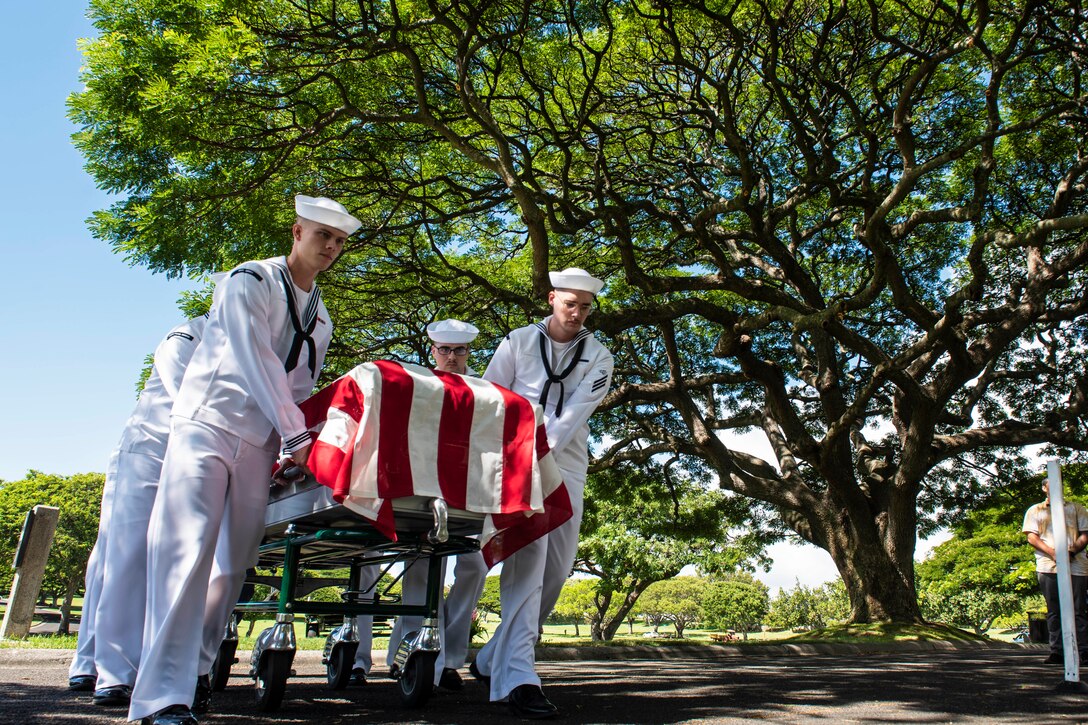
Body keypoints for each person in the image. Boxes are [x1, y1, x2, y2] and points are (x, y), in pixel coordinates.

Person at [127, 194, 361, 725]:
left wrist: (292, 444)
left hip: (259, 442)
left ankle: (197, 674)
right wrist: (296, 434)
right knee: (185, 555)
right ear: (297, 232)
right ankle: (160, 696)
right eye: (322, 235)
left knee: (232, 564)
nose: (330, 247)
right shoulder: (249, 280)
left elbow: (298, 383)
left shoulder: (320, 316)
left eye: (340, 241)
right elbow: (256, 357)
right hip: (207, 426)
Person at [470, 268, 613, 718]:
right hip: (515, 456)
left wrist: (541, 445)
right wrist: (518, 451)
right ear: (552, 298)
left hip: (565, 460)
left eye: (586, 307)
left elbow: (574, 415)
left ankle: (493, 656)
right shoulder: (516, 342)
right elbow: (491, 396)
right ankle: (519, 676)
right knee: (527, 559)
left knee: (557, 569)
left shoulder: (600, 357)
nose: (577, 313)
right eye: (571, 303)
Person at [82, 313, 210, 708]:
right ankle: (112, 672)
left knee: (153, 558)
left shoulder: (246, 343)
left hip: (189, 453)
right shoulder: (188, 333)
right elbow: (182, 393)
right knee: (123, 556)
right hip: (149, 448)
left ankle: (92, 662)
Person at [376, 319, 490, 691]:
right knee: (422, 566)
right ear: (433, 351)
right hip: (425, 484)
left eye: (459, 351)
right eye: (445, 350)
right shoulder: (419, 384)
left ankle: (451, 656)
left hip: (471, 485)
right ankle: (412, 654)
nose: (452, 357)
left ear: (469, 352)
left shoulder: (485, 388)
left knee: (474, 565)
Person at [1023, 479, 1088, 665]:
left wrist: (1071, 551)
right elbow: (1031, 536)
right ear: (1044, 488)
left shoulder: (1076, 508)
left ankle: (1083, 650)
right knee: (1054, 609)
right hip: (1047, 564)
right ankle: (1057, 651)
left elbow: (1085, 533)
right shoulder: (1035, 510)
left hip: (1076, 564)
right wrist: (1053, 553)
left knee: (1079, 609)